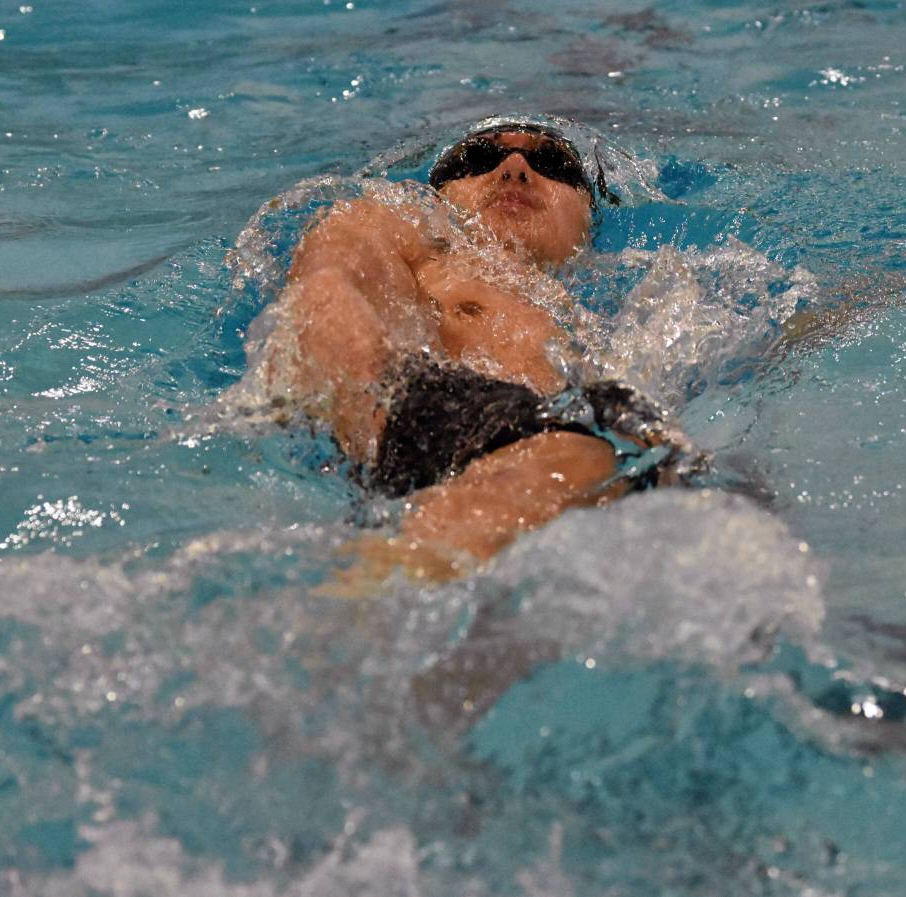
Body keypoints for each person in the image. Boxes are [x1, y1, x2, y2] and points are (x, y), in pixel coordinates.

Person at [261, 120, 702, 583]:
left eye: (551, 163)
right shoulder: (403, 234)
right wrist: (379, 410)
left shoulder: (625, 313)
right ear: (437, 197)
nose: (514, 169)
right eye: (478, 159)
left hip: (592, 441)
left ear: (588, 216)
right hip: (442, 415)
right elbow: (328, 290)